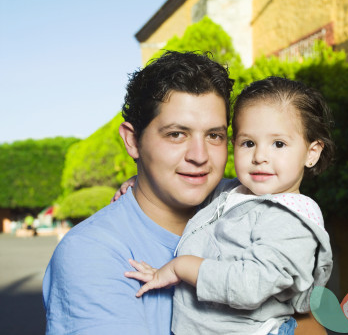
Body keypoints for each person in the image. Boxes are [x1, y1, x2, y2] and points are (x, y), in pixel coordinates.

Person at [42, 51, 235, 335]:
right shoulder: (91, 254)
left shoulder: (251, 212)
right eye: (176, 134)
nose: (199, 155)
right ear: (133, 141)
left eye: (214, 136)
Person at [124, 76, 335, 335]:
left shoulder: (292, 222)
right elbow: (187, 185)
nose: (260, 157)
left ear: (311, 153)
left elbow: (249, 286)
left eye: (278, 144)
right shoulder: (231, 191)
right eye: (248, 143)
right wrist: (140, 179)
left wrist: (182, 267)